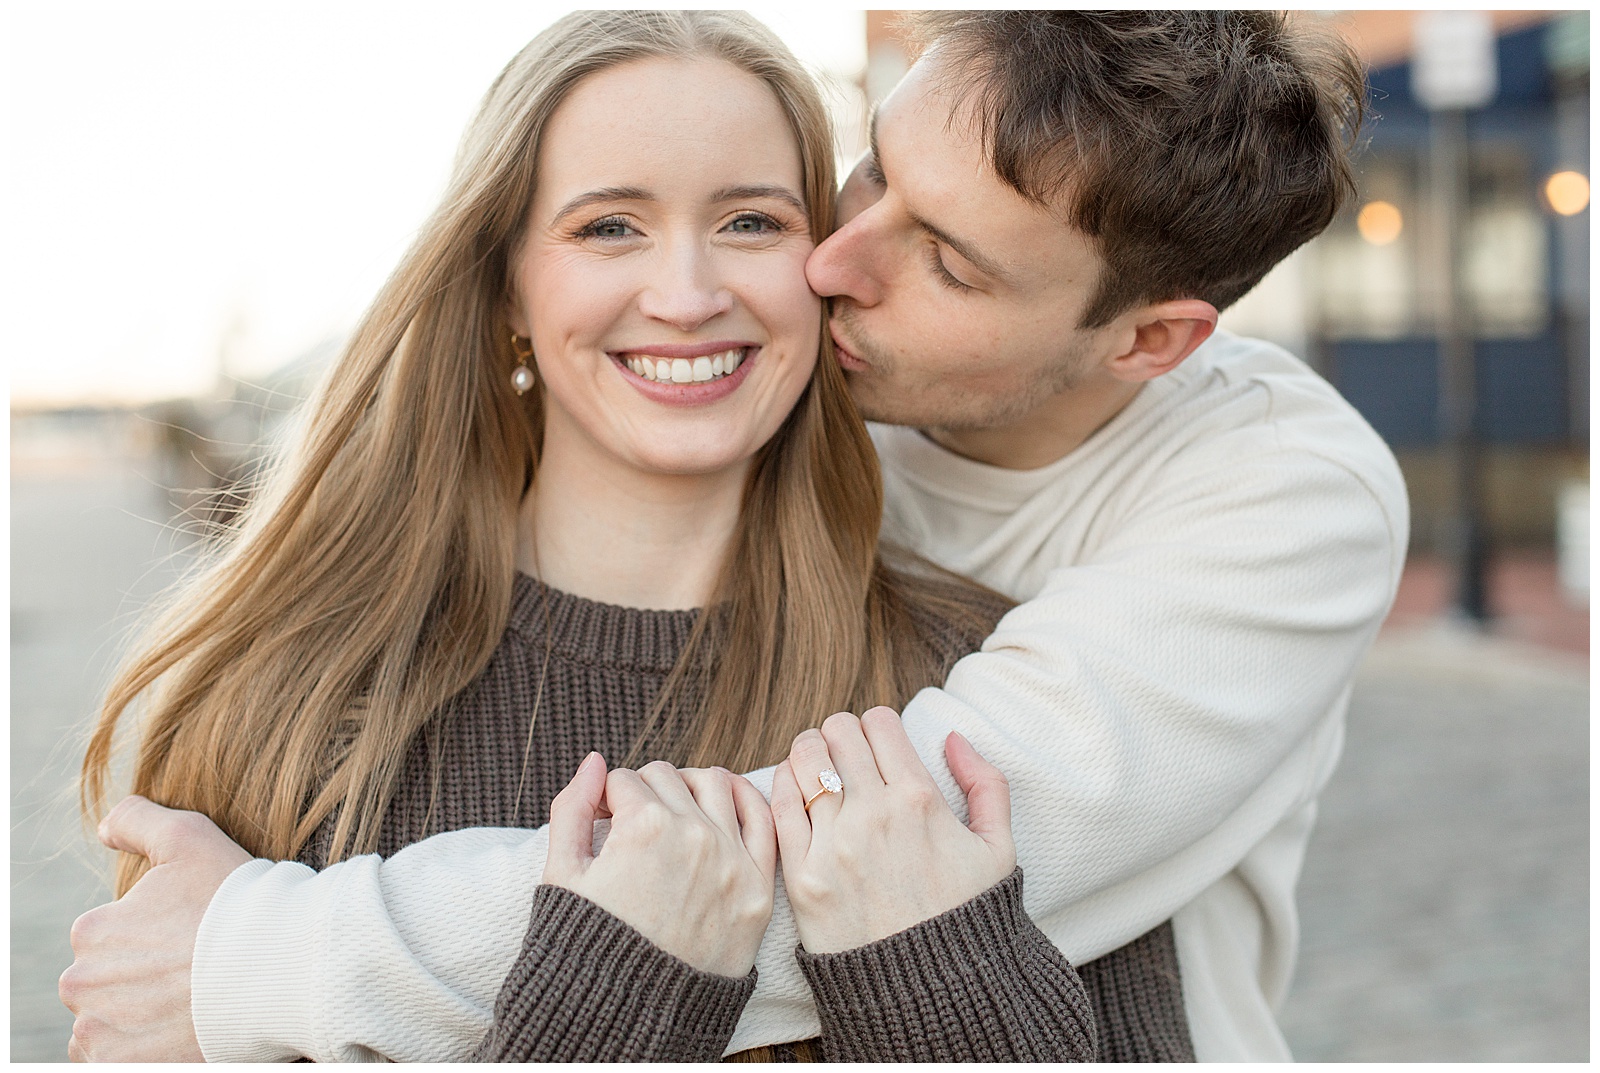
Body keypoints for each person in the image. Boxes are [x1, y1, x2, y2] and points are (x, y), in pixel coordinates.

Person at [64, 9, 1407, 1063]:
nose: (828, 265)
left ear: (1146, 341)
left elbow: (896, 852)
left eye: (942, 257)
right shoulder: (296, 699)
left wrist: (257, 955)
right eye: (866, 177)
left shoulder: (1274, 506)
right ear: (503, 283)